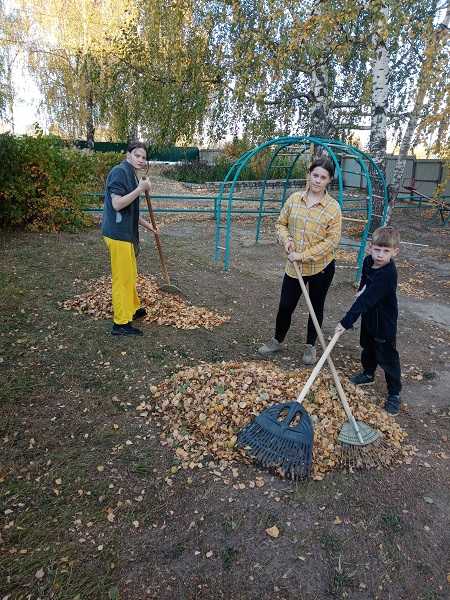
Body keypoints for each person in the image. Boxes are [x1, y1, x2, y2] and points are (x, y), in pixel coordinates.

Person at [258, 157, 342, 364]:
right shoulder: (294, 199)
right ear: (309, 175)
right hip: (294, 268)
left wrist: (303, 255)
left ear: (329, 180)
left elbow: (332, 242)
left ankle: (310, 346)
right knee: (286, 305)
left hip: (321, 268)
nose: (317, 180)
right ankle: (277, 340)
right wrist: (286, 240)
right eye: (315, 175)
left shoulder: (333, 208)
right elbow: (281, 223)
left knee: (315, 307)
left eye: (323, 177)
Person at [335, 226, 402, 416]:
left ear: (394, 251)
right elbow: (365, 282)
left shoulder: (387, 274)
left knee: (387, 356)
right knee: (367, 345)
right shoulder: (367, 261)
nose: (380, 255)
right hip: (370, 316)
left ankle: (394, 393)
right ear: (370, 248)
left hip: (385, 321)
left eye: (386, 251)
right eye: (377, 250)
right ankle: (368, 373)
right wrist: (362, 287)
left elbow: (366, 300)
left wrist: (346, 322)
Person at [101, 141, 157, 336]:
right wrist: (140, 189)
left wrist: (149, 226)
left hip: (126, 234)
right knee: (122, 280)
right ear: (128, 155)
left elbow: (130, 208)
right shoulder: (119, 172)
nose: (141, 160)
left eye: (143, 157)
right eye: (137, 155)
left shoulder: (131, 174)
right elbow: (117, 204)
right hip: (118, 235)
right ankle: (121, 323)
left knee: (130, 276)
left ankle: (132, 309)